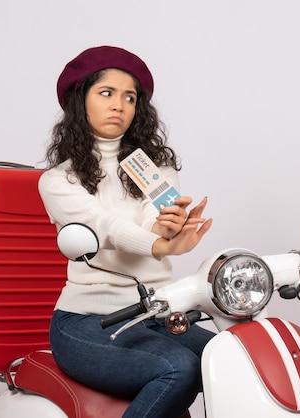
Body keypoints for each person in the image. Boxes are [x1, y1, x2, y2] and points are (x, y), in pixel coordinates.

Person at [38, 45, 215, 418]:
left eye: (129, 97)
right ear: (80, 102)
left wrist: (168, 226)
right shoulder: (57, 181)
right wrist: (161, 245)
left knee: (228, 355)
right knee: (177, 368)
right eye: (106, 93)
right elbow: (104, 226)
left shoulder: (156, 167)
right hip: (86, 321)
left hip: (153, 313)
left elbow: (156, 214)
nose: (119, 104)